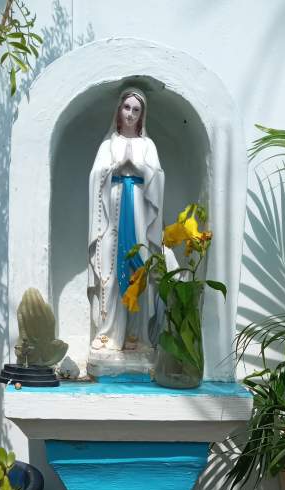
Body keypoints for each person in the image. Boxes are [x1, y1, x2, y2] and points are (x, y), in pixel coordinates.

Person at [88, 88, 164, 354]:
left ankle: (137, 336)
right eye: (126, 108)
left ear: (142, 115)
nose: (130, 114)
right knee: (109, 272)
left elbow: (158, 179)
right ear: (118, 111)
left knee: (139, 270)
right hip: (112, 215)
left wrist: (138, 166)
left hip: (139, 213)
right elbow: (95, 176)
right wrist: (113, 169)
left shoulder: (148, 146)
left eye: (136, 110)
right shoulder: (108, 145)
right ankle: (108, 333)